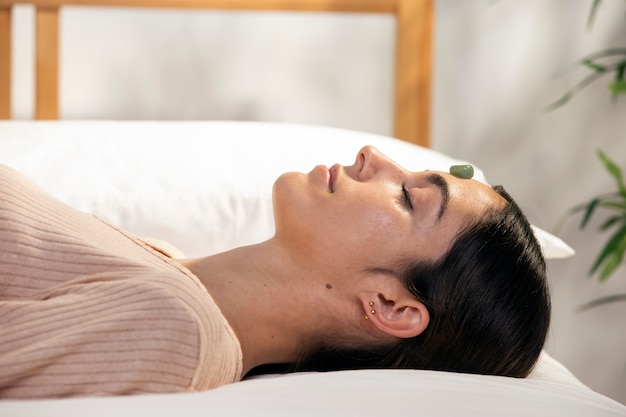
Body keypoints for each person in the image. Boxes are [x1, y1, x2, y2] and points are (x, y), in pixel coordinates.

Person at [0, 146, 550, 399]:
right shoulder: (169, 265)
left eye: (410, 195)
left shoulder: (180, 328)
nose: (371, 155)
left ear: (388, 306)